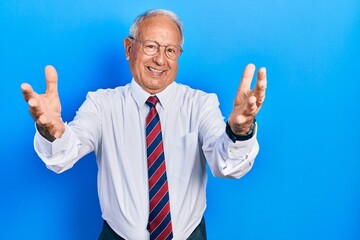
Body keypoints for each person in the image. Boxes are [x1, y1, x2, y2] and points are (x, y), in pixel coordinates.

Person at [21, 9, 267, 240]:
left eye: (171, 50)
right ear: (129, 49)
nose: (160, 59)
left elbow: (226, 165)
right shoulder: (101, 104)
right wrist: (51, 133)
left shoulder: (201, 104)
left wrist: (240, 132)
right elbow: (64, 155)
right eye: (151, 46)